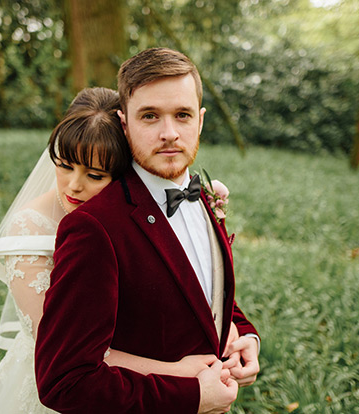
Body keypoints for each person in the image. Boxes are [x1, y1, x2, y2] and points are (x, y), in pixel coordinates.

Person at [0, 87, 229, 414]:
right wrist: (178, 373)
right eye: (64, 165)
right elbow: (60, 349)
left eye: (95, 175)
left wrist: (237, 332)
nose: (73, 186)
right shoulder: (31, 227)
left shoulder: (133, 213)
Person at [35, 48, 260, 414]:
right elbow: (63, 381)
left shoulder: (204, 196)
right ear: (124, 124)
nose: (169, 134)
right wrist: (191, 397)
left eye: (182, 115)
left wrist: (244, 333)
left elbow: (199, 286)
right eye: (150, 116)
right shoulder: (94, 229)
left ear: (200, 121)